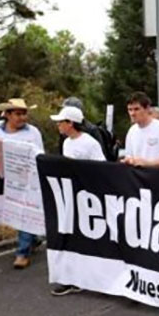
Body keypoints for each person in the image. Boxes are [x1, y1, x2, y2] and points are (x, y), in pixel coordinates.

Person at [49, 105, 107, 296]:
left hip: (88, 199)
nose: (58, 125)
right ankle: (72, 277)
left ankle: (89, 276)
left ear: (70, 123)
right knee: (70, 237)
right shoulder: (66, 143)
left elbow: (101, 169)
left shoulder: (89, 143)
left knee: (86, 239)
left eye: (61, 122)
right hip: (71, 197)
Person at [0, 98, 45, 269]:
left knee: (23, 212)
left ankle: (22, 253)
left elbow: (39, 154)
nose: (22, 118)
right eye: (18, 114)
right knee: (14, 213)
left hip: (27, 180)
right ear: (7, 115)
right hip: (5, 179)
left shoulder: (33, 133)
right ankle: (33, 238)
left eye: (24, 114)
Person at [121, 92, 159, 168]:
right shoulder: (131, 131)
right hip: (137, 178)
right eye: (130, 110)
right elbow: (129, 157)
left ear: (147, 109)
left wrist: (149, 164)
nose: (132, 113)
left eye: (137, 109)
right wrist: (128, 161)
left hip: (158, 177)